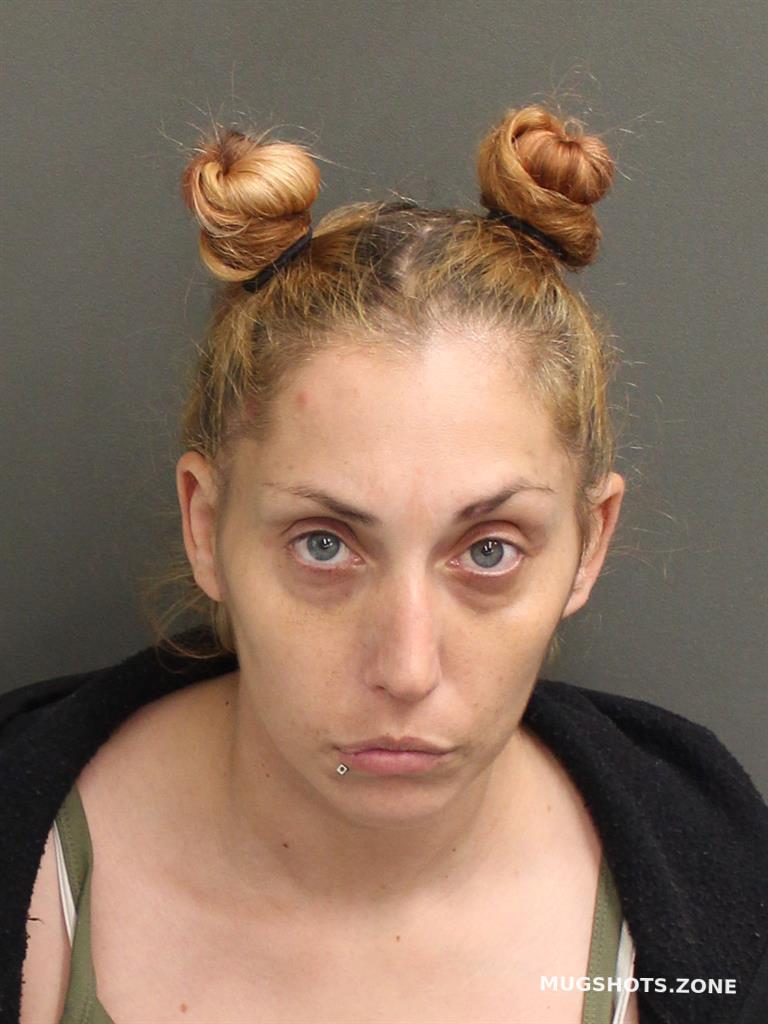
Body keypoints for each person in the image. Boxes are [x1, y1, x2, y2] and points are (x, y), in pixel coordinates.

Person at [2, 102, 766, 1024]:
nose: (406, 670)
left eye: (488, 550)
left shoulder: (719, 886)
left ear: (589, 544)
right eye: (323, 545)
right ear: (205, 527)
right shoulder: (28, 861)